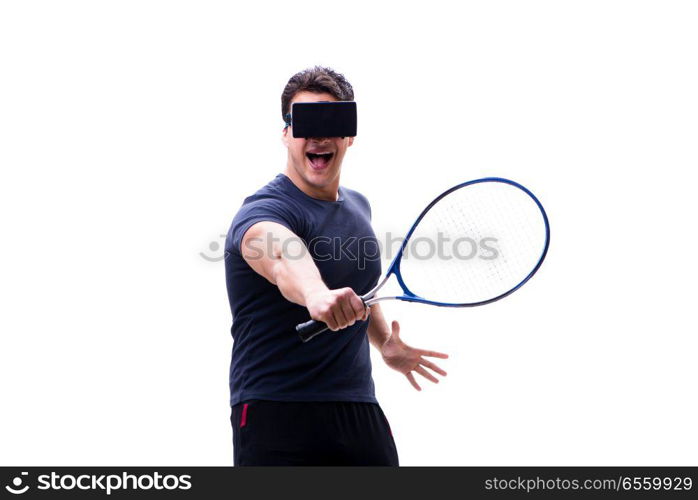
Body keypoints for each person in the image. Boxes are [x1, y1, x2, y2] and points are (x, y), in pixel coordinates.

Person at [224, 66, 448, 465]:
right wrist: (315, 294)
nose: (319, 136)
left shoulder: (358, 206)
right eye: (305, 122)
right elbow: (281, 255)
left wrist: (384, 343)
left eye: (332, 122)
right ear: (285, 133)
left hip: (358, 408)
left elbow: (359, 286)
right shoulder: (264, 210)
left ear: (350, 134)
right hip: (276, 410)